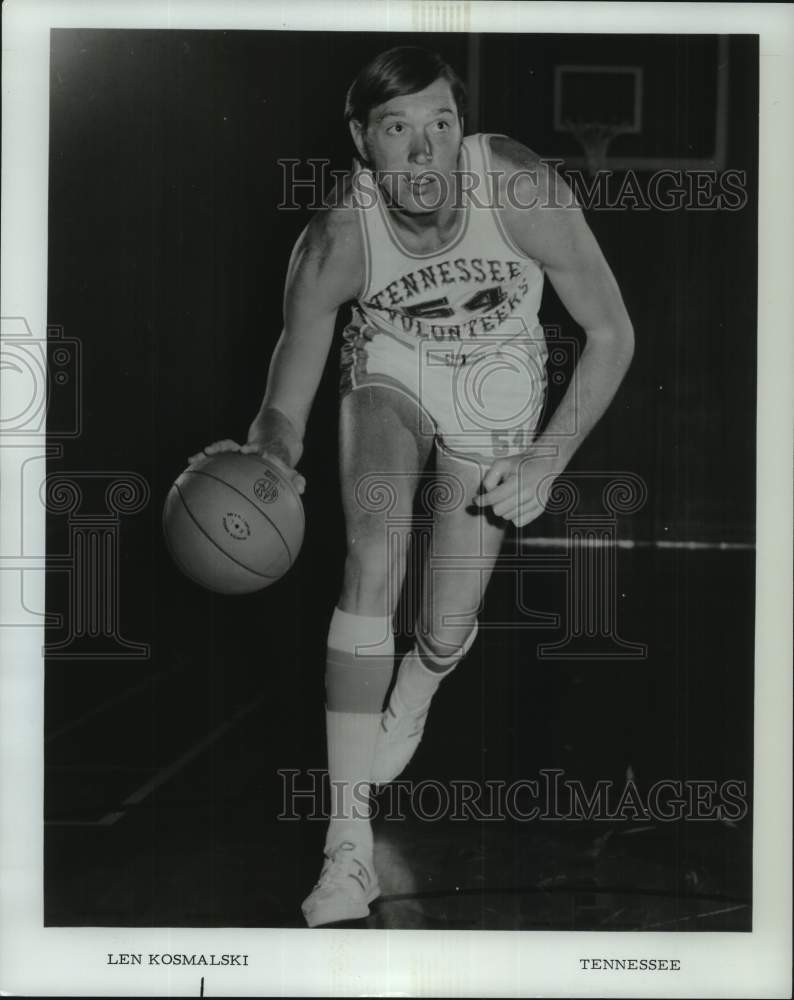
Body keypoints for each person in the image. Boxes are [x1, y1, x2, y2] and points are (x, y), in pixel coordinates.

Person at [190, 46, 634, 927]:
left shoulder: (519, 191)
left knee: (445, 625)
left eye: (442, 124)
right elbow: (286, 396)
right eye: (399, 129)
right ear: (363, 141)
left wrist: (547, 459)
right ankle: (346, 851)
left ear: (461, 130)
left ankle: (418, 688)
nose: (425, 150)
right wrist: (269, 454)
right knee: (373, 551)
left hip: (500, 374)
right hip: (392, 368)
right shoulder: (334, 243)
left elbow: (612, 333)